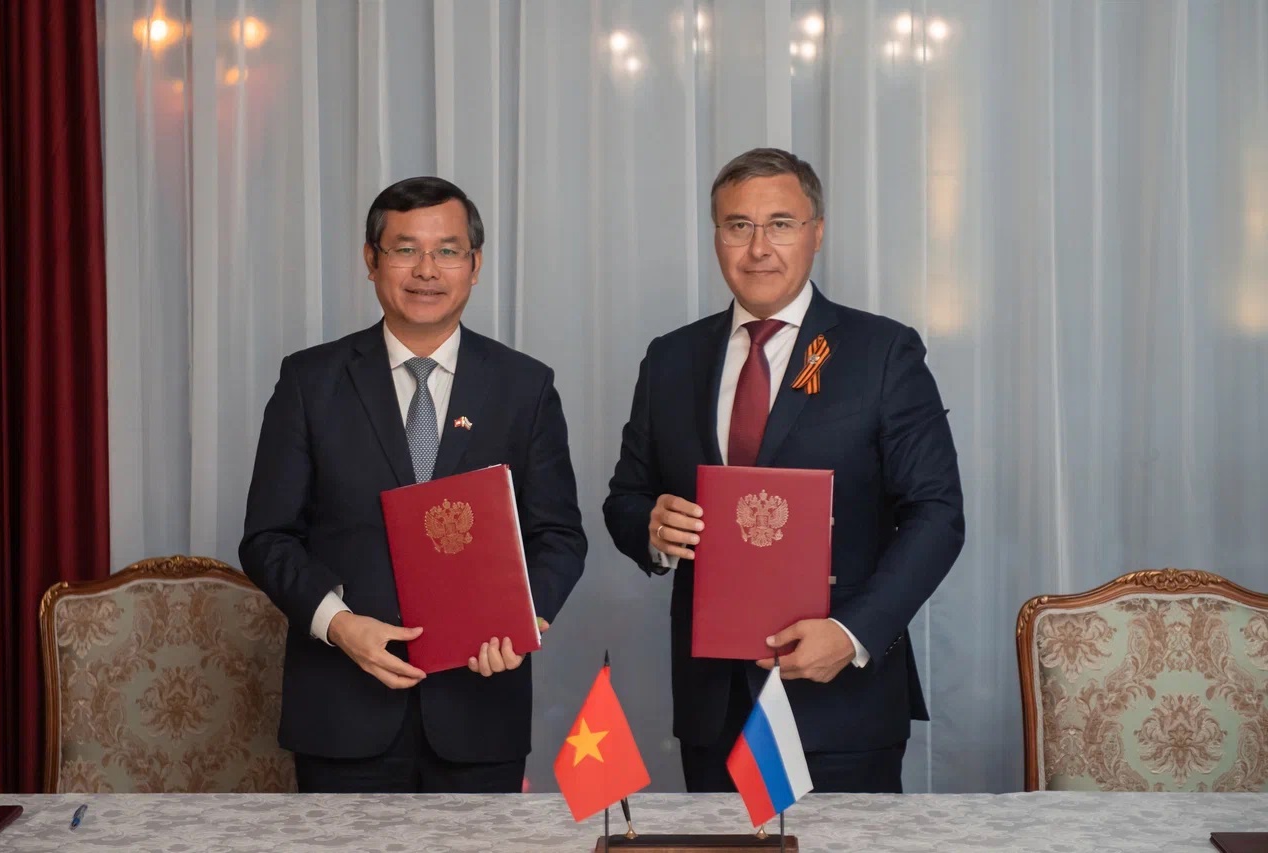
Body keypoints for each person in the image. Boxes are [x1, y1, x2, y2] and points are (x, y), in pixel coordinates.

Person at [603, 148, 964, 793]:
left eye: (781, 224)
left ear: (816, 232)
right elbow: (626, 497)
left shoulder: (882, 352)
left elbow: (937, 515)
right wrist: (652, 530)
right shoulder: (671, 359)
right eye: (738, 225)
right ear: (716, 236)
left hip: (841, 700)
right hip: (715, 705)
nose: (758, 248)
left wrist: (852, 633)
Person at [240, 176, 586, 793]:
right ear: (371, 261)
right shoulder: (310, 382)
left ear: (474, 265)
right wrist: (338, 624)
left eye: (447, 251)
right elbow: (268, 538)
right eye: (405, 250)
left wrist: (522, 617)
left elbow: (558, 534)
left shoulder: (524, 386)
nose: (427, 270)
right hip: (343, 709)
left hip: (481, 708)